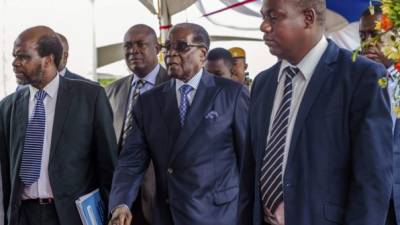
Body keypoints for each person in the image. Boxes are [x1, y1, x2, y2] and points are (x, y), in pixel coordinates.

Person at [246, 0, 393, 224]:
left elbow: (372, 181)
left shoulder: (360, 77)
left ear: (308, 18)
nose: (264, 26)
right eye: (263, 17)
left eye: (274, 17)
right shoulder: (263, 83)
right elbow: (249, 170)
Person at [108, 22, 249, 225]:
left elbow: (248, 159)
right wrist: (121, 203)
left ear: (202, 54)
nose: (171, 54)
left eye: (181, 47)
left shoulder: (232, 94)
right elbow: (132, 160)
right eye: (168, 47)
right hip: (168, 215)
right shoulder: (149, 102)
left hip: (219, 215)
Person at [0, 26, 117, 225]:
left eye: (23, 57)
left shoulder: (90, 97)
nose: (15, 63)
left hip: (72, 216)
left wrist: (110, 212)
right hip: (23, 216)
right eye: (14, 56)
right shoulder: (8, 106)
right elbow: (5, 171)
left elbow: (108, 165)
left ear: (48, 59)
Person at [105, 24, 169, 225]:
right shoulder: (112, 91)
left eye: (141, 44)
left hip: (160, 198)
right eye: (128, 45)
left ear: (157, 49)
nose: (133, 51)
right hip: (119, 198)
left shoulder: (173, 86)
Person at [359, 5, 400, 225]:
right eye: (362, 36)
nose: (367, 43)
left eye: (375, 34)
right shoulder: (354, 85)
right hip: (367, 204)